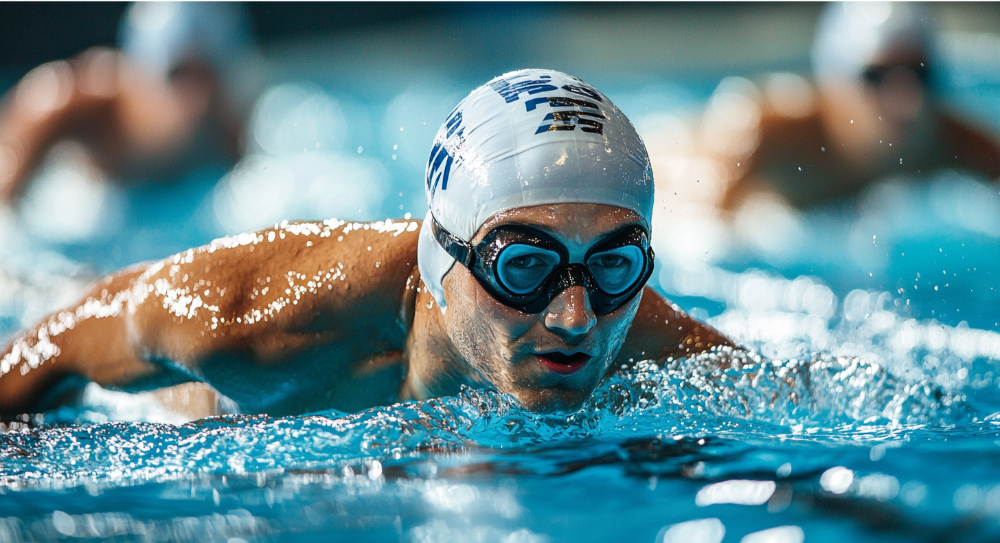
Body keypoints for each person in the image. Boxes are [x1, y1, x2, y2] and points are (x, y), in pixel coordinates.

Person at [0, 69, 733, 417]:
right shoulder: (244, 315)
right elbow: (60, 339)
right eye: (525, 264)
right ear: (443, 256)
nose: (577, 317)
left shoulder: (637, 330)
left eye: (614, 261)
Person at [715, 1, 1000, 213]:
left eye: (919, 72)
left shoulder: (955, 142)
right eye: (876, 76)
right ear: (834, 84)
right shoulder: (766, 133)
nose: (904, 99)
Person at [0, 1, 252, 203]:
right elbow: (19, 136)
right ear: (140, 77)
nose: (197, 100)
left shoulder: (226, 122)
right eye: (177, 76)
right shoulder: (88, 103)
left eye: (206, 77)